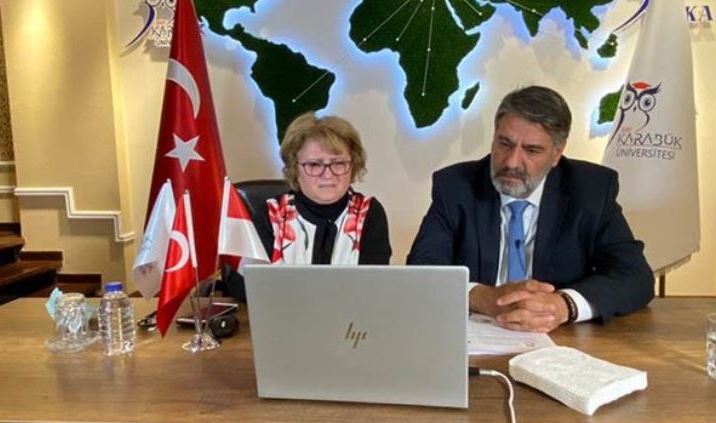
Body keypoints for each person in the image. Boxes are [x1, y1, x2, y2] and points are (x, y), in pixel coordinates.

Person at [407, 85, 654, 333]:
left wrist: (563, 305)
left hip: (561, 340)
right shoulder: (455, 187)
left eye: (532, 150)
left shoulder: (591, 191)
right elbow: (421, 271)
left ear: (557, 153)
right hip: (475, 336)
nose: (512, 162)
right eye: (505, 144)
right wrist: (482, 297)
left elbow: (635, 276)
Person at [224, 113, 391, 302]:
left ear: (353, 166)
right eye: (314, 164)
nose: (327, 175)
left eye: (338, 163)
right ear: (295, 168)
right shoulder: (271, 214)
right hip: (283, 317)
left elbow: (375, 287)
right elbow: (243, 286)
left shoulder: (369, 213)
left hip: (351, 319)